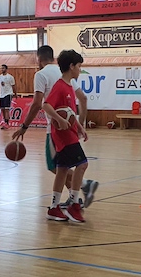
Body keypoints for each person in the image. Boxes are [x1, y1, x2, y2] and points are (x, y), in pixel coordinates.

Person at [12, 45, 98, 209]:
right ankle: (73, 197)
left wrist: (24, 126)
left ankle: (84, 185)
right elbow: (83, 98)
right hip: (70, 126)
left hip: (55, 129)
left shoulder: (41, 74)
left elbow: (38, 104)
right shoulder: (64, 74)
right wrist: (80, 123)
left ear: (39, 59)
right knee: (63, 166)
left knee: (56, 166)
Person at [42, 50, 90, 223]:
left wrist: (80, 127)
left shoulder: (69, 86)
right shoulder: (60, 86)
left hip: (69, 133)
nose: (80, 70)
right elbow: (46, 105)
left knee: (62, 170)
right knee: (82, 164)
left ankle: (54, 208)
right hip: (64, 136)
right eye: (79, 66)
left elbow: (69, 112)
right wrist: (59, 119)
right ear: (71, 66)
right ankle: (74, 205)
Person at [0, 64, 16, 129]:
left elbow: (13, 86)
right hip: (1, 95)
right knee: (2, 109)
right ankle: (5, 121)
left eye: (3, 68)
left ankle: (7, 123)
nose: (2, 69)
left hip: (8, 94)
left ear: (6, 69)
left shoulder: (10, 77)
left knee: (6, 109)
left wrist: (15, 94)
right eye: (1, 68)